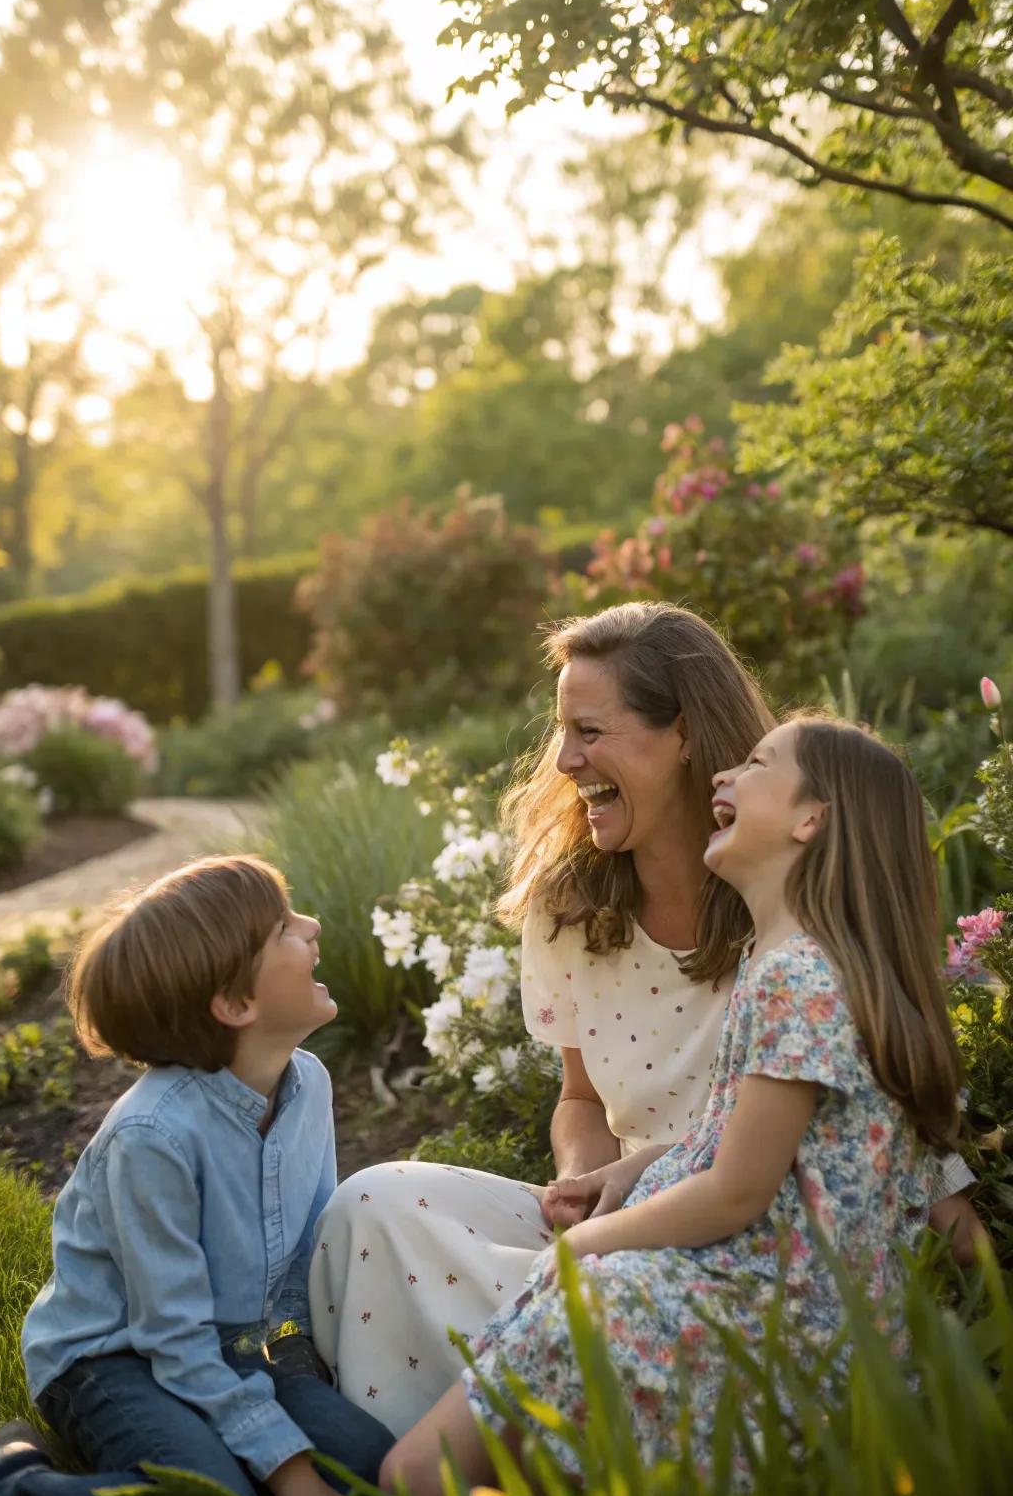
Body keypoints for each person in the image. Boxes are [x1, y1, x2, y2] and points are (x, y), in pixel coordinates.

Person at [309, 603, 979, 1437]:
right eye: (562, 732)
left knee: (588, 1299)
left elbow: (886, 1135)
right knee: (370, 1204)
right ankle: (492, 1414)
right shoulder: (570, 909)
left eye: (591, 731)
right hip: (634, 1207)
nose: (564, 760)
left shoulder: (794, 923)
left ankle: (512, 1416)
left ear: (685, 734)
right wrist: (582, 1184)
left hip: (735, 1254)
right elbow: (581, 1100)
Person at [0, 856, 392, 1496]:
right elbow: (171, 1334)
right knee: (208, 1490)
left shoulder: (307, 1084)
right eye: (284, 927)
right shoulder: (151, 1138)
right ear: (234, 1004)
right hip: (111, 1358)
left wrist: (296, 1387)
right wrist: (286, 1469)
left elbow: (298, 1272)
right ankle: (13, 1477)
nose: (312, 926)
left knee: (373, 1463)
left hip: (231, 1349)